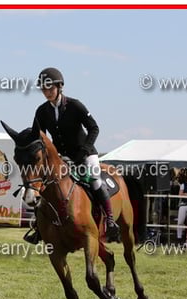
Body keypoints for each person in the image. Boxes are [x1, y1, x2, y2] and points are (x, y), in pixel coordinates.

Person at [26, 67, 118, 243]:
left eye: (50, 88)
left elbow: (94, 128)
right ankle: (39, 228)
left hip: (85, 153)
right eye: (44, 89)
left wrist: (84, 150)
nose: (47, 92)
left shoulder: (75, 105)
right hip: (62, 157)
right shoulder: (42, 111)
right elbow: (40, 137)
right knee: (45, 186)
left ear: (59, 87)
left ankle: (110, 220)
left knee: (95, 180)